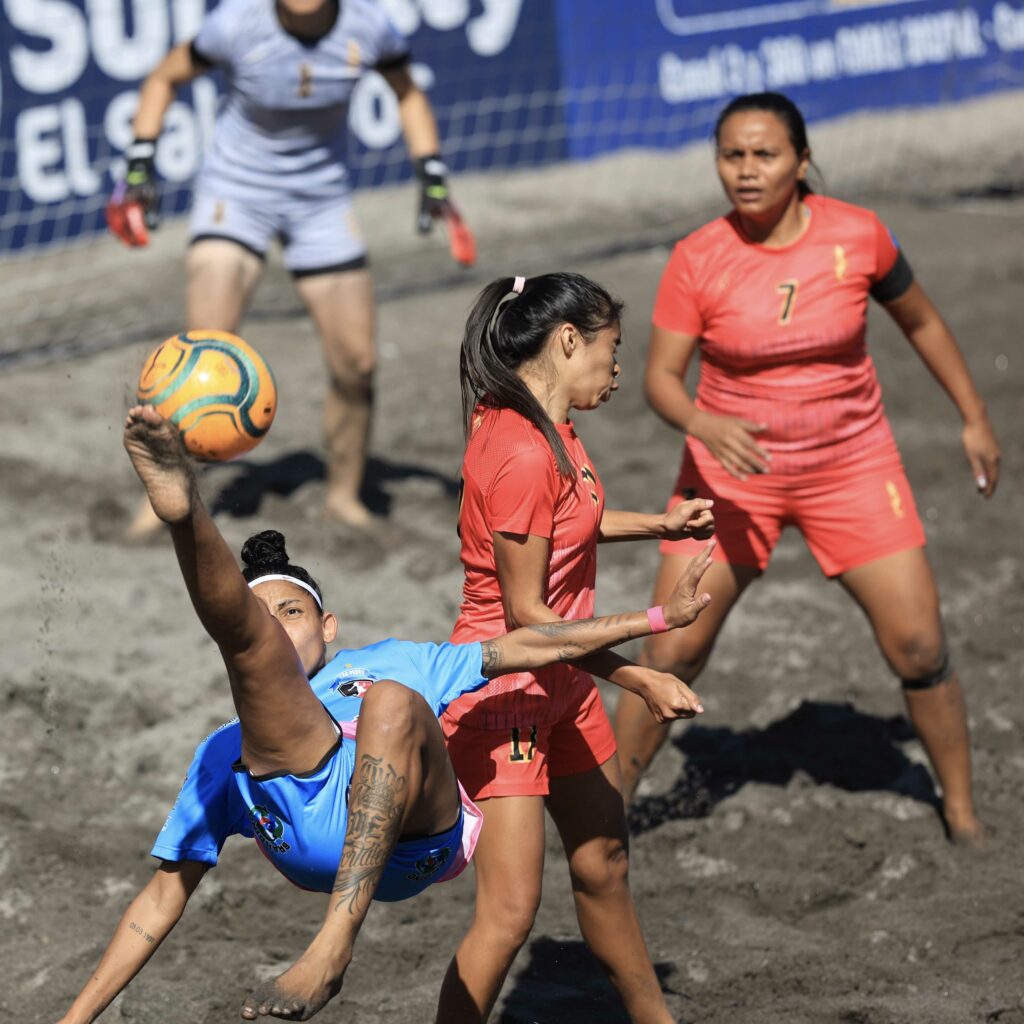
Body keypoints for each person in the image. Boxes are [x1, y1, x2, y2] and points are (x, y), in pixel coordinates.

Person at [56, 404, 715, 1024]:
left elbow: (520, 645)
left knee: (392, 699)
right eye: (264, 616)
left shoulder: (392, 661)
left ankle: (333, 945)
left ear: (329, 625)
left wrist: (652, 626)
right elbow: (162, 897)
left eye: (292, 612)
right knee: (255, 667)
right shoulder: (225, 749)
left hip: (416, 832)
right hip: (309, 823)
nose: (279, 627)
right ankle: (185, 514)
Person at [612, 92, 1001, 845]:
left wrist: (974, 415)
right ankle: (608, 809)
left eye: (765, 155)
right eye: (732, 155)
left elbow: (919, 319)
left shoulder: (859, 236)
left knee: (920, 646)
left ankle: (960, 809)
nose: (747, 171)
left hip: (850, 465)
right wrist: (703, 419)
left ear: (802, 160)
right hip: (728, 474)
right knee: (674, 647)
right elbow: (660, 378)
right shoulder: (697, 256)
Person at [436, 273, 716, 1023]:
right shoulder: (522, 450)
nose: (619, 370)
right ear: (567, 341)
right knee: (508, 915)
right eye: (611, 351)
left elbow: (569, 520)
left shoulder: (542, 422)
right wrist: (646, 657)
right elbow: (530, 619)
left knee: (604, 864)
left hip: (563, 685)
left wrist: (661, 525)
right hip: (509, 691)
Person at [111, 0, 460, 536]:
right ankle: (160, 501)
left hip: (321, 202)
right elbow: (163, 78)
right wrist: (139, 162)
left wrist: (430, 171)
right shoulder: (236, 22)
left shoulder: (368, 25)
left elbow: (408, 93)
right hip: (236, 194)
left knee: (358, 365)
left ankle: (343, 497)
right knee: (202, 356)